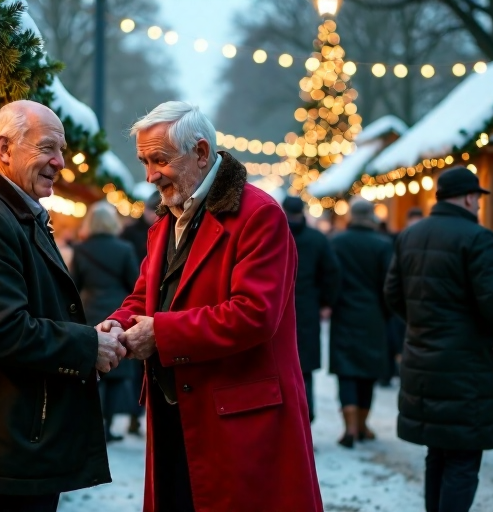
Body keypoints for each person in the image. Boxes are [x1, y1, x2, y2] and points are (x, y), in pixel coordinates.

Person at [102, 101, 321, 512]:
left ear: (200, 153)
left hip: (239, 421)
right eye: (144, 162)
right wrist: (116, 324)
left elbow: (254, 314)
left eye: (159, 160)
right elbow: (146, 294)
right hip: (179, 413)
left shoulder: (260, 215)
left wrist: (160, 334)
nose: (150, 176)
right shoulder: (169, 218)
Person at [0, 100, 125, 511]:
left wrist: (91, 338)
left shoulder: (12, 211)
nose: (60, 162)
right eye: (47, 148)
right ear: (4, 149)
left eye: (60, 151)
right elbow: (5, 332)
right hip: (15, 436)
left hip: (25, 432)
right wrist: (89, 345)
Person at [384, 166, 493, 512]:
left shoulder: (409, 235)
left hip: (422, 364)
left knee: (437, 454)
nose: (479, 205)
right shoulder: (479, 238)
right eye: (478, 198)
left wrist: (423, 322)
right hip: (465, 369)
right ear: (468, 197)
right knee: (463, 460)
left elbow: (392, 294)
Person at [70, 201, 141, 442]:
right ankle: (109, 427)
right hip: (117, 312)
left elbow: (74, 284)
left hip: (89, 312)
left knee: (91, 371)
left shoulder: (81, 249)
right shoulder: (124, 249)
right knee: (116, 373)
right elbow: (135, 283)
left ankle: (91, 424)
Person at [329, 199, 393, 448]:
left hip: (344, 313)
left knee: (346, 372)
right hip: (372, 315)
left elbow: (330, 278)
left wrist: (331, 302)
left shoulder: (337, 243)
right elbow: (389, 284)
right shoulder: (383, 245)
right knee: (368, 373)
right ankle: (364, 426)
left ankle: (350, 427)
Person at [282, 195, 341, 423]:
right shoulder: (317, 239)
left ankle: (285, 421)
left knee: (278, 365)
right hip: (307, 308)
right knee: (304, 368)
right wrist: (326, 302)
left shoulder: (274, 234)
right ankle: (306, 417)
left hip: (276, 306)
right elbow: (332, 272)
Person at [118, 191, 160, 435]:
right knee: (135, 370)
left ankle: (141, 415)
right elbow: (135, 280)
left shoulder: (163, 230)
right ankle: (135, 416)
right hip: (135, 304)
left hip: (145, 305)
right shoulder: (131, 235)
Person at [120, 191, 161, 264]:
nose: (156, 215)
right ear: (145, 209)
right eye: (153, 209)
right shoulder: (130, 231)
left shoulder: (164, 231)